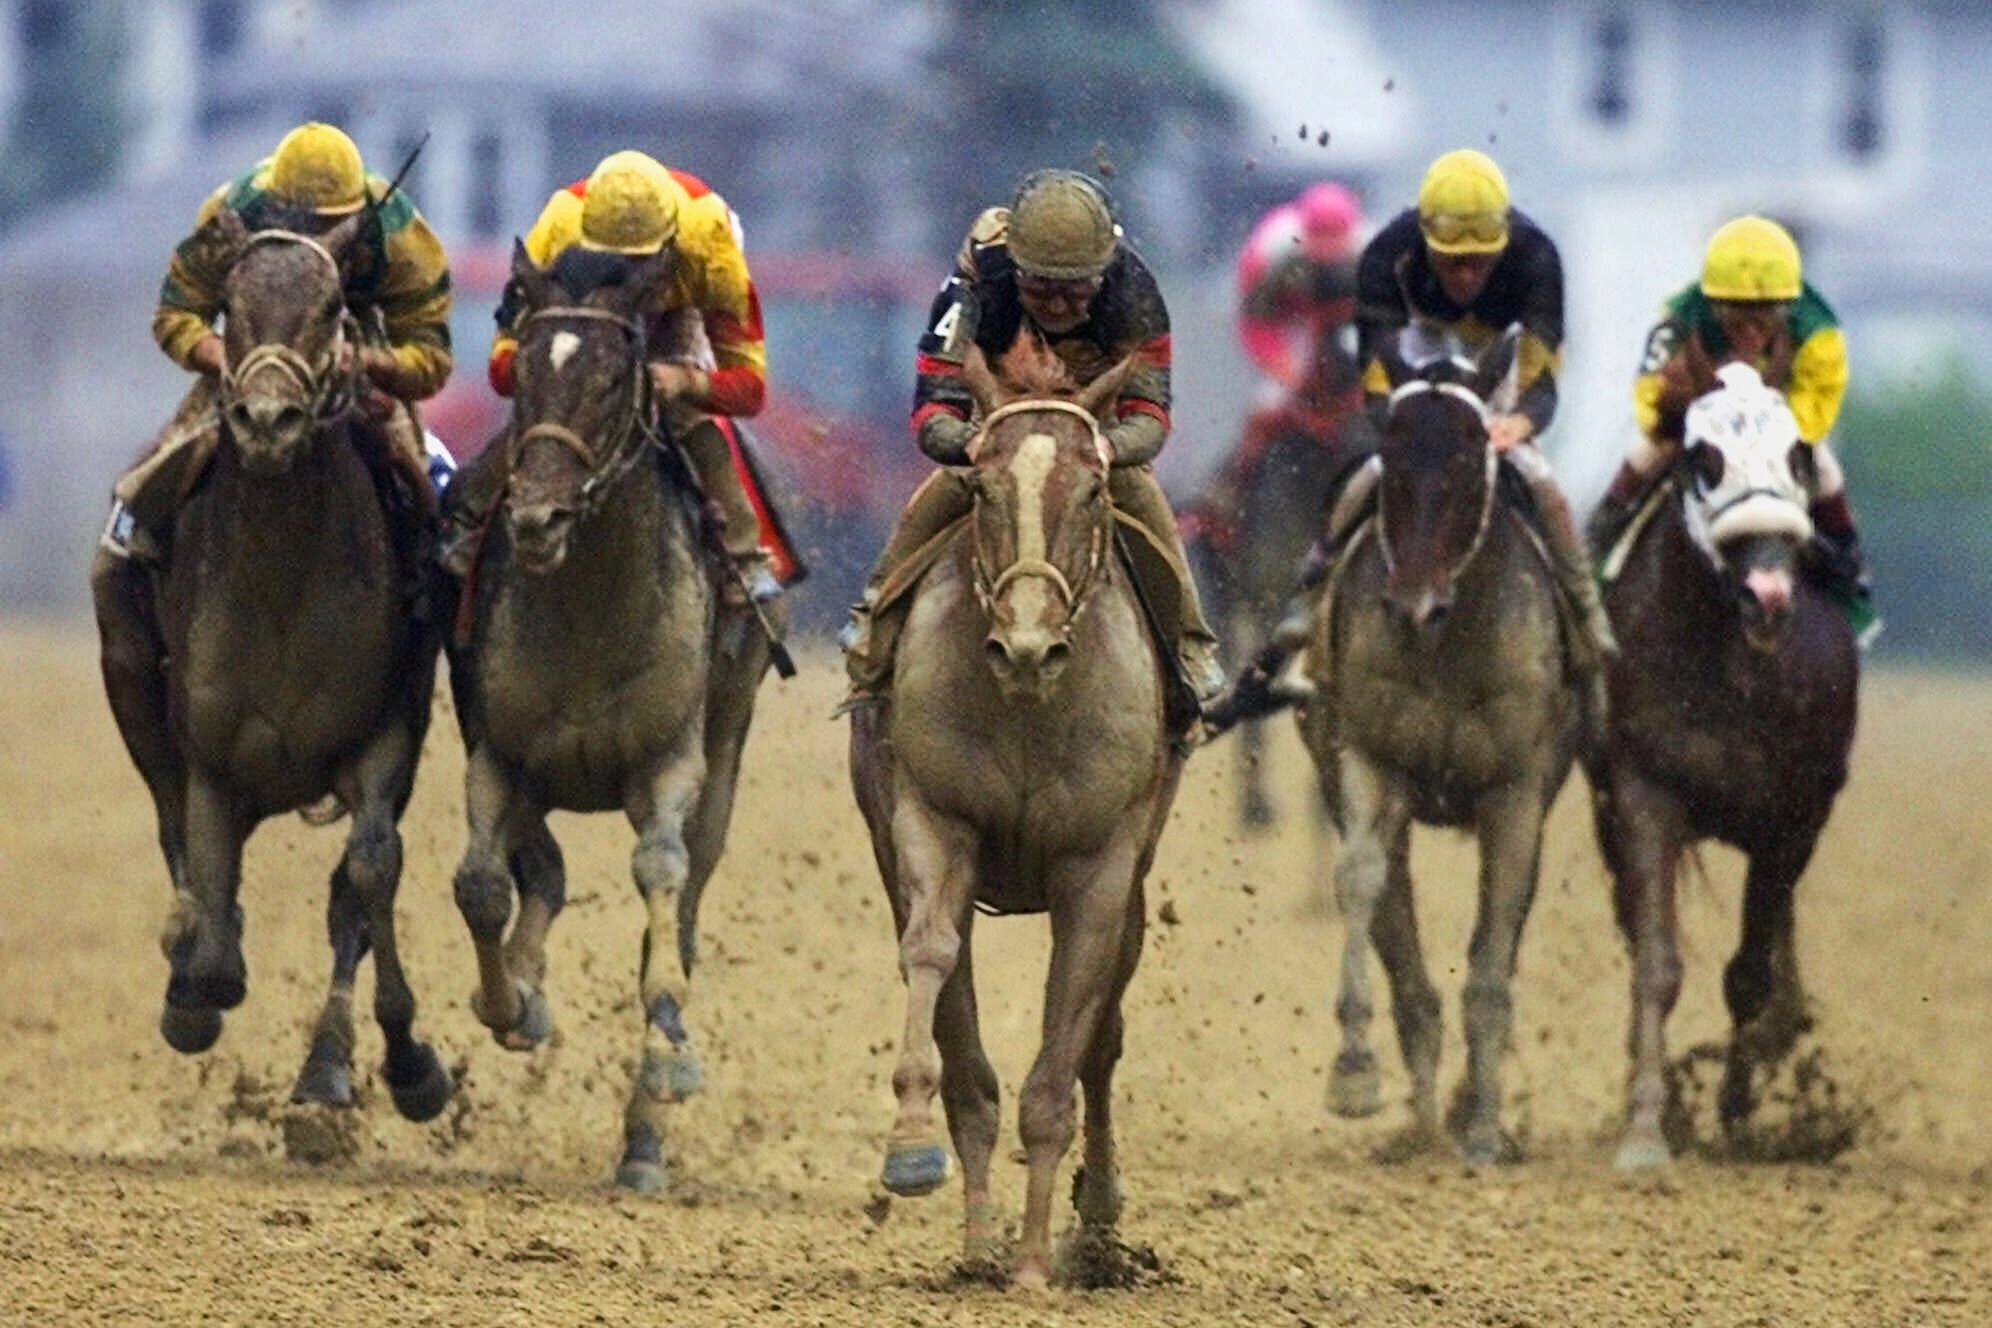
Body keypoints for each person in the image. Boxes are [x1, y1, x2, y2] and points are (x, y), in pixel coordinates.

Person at [1213, 149, 1615, 726]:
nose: (1465, 277)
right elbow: (1373, 376)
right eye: (1451, 262)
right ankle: (1303, 614)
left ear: (1502, 243)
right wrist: (1405, 427)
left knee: (1539, 479)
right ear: (1424, 239)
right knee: (1372, 473)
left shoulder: (1537, 257)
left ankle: (1584, 622)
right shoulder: (1384, 254)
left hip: (1495, 353)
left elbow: (1542, 384)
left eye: (1480, 262)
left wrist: (1514, 426)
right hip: (1420, 349)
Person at [839, 168, 1222, 704]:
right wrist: (968, 444)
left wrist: (1107, 449)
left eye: (1077, 291)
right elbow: (933, 406)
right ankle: (874, 618)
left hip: (1093, 425)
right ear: (1013, 270)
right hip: (998, 413)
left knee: (1140, 494)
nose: (1060, 306)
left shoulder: (1136, 293)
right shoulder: (975, 279)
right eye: (1041, 289)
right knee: (948, 488)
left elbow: (1150, 414)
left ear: (1104, 272)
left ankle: (1189, 642)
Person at [102, 121, 452, 561]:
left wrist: (364, 362)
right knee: (126, 533)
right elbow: (177, 312)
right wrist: (226, 359)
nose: (312, 237)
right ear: (274, 205)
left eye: (329, 225)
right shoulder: (232, 214)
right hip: (249, 353)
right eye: (303, 222)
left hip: (355, 355)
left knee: (435, 512)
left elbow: (432, 355)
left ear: (356, 213)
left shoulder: (399, 235)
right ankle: (138, 555)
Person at [442, 149, 782, 602]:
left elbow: (750, 389)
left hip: (673, 314)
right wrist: (546, 377)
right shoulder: (558, 229)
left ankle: (745, 556)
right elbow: (502, 370)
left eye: (640, 260)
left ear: (671, 243)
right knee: (556, 408)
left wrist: (685, 382)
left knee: (688, 419)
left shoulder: (709, 245)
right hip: (587, 313)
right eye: (614, 257)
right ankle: (469, 524)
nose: (628, 273)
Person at [1591, 215, 1873, 634]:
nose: (1750, 333)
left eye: (1765, 320)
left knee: (1827, 470)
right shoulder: (1679, 317)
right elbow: (1650, 405)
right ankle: (1596, 551)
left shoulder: (1819, 331)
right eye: (1735, 319)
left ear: (1787, 307)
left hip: (1778, 429)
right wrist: (1689, 411)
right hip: (1699, 423)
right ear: (1712, 303)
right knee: (1644, 454)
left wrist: (1760, 420)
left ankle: (1850, 573)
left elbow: (1813, 413)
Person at [1183, 182, 1367, 555]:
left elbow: (1382, 333)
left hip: (1342, 335)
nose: (1327, 260)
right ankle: (1225, 497)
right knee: (1266, 411)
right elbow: (1254, 323)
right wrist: (1286, 372)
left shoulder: (1373, 255)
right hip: (1288, 329)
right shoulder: (1270, 251)